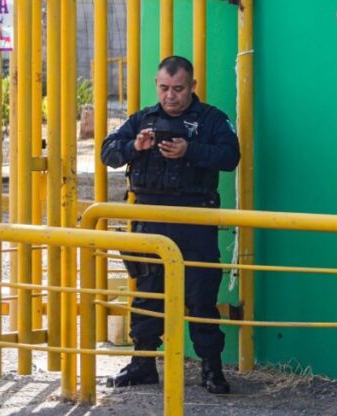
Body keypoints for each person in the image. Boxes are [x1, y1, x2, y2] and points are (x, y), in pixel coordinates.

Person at [100, 55, 240, 394]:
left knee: (201, 298)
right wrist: (135, 146)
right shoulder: (143, 119)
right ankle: (143, 364)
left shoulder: (211, 120)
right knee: (146, 296)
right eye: (164, 88)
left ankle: (211, 369)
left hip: (194, 220)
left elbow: (230, 156)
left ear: (192, 86)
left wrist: (189, 150)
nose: (171, 96)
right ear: (156, 84)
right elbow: (108, 152)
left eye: (178, 88)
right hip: (149, 221)